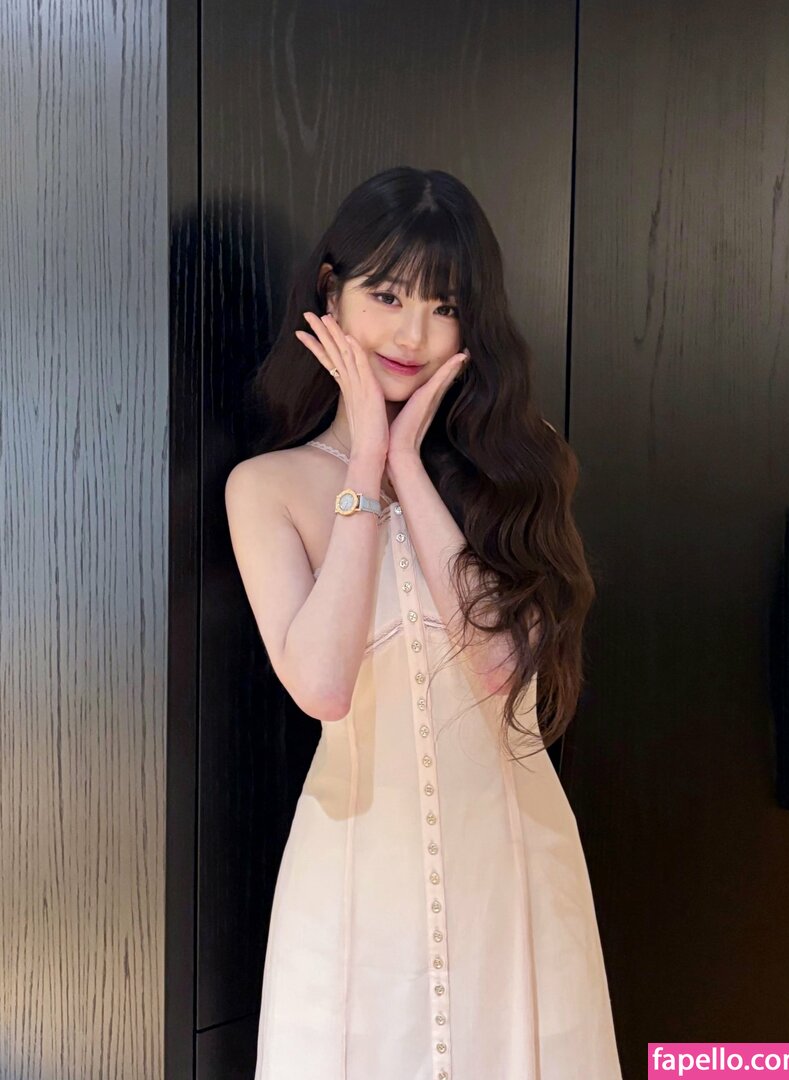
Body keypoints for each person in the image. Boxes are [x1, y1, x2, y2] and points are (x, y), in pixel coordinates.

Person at [224, 166, 623, 1079]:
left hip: (515, 879)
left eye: (444, 306)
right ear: (332, 290)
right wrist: (366, 458)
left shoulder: (519, 468)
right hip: (353, 892)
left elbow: (499, 669)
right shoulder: (268, 488)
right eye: (388, 295)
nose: (412, 334)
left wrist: (410, 464)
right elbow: (323, 687)